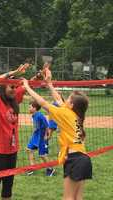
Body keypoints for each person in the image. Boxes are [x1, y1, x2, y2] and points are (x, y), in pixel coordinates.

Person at [22, 67, 92, 200]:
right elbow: (59, 100)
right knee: (78, 197)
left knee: (68, 198)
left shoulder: (65, 113)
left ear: (71, 105)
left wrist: (27, 87)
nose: (64, 100)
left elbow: (42, 103)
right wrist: (49, 83)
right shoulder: (77, 115)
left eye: (68, 99)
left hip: (74, 159)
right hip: (84, 158)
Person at [0, 63, 30, 200]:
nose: (14, 89)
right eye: (11, 86)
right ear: (3, 87)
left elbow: (29, 85)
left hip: (12, 150)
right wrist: (12, 73)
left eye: (15, 87)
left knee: (8, 185)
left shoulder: (13, 100)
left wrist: (40, 75)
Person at [26, 100, 55, 176]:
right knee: (29, 150)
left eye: (30, 107)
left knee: (42, 155)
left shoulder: (40, 115)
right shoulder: (34, 115)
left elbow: (46, 126)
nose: (28, 109)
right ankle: (32, 168)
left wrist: (46, 135)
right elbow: (36, 125)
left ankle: (50, 168)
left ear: (34, 108)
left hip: (41, 137)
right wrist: (34, 131)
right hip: (36, 136)